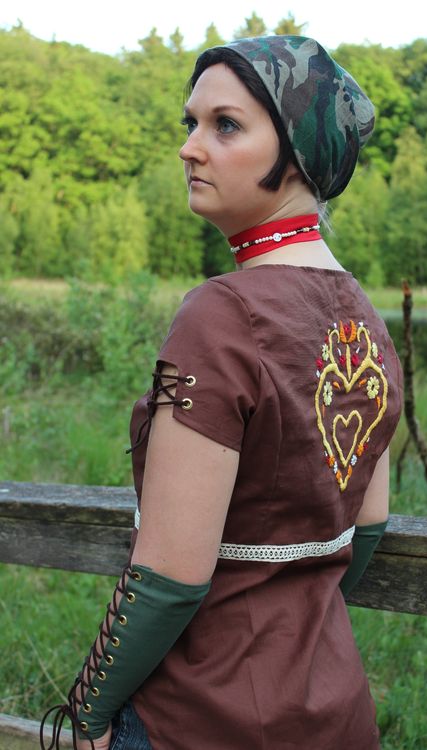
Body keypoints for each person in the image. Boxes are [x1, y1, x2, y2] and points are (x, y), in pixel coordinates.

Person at [40, 35, 402, 750]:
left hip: (202, 719)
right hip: (335, 713)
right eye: (191, 123)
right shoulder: (364, 315)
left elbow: (167, 576)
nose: (189, 148)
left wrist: (86, 712)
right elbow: (367, 527)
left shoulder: (222, 314)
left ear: (296, 152)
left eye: (225, 125)